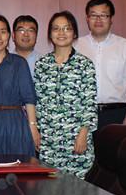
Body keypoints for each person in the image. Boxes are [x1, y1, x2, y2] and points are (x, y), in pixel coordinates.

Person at [34, 11, 98, 179]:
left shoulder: (84, 64)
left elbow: (90, 103)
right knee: (50, 189)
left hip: (76, 139)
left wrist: (84, 134)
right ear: (50, 34)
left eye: (67, 28)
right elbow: (38, 102)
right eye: (56, 28)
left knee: (77, 190)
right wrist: (37, 132)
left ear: (74, 33)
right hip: (49, 140)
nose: (61, 33)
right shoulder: (42, 64)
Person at [75, 0, 126, 130]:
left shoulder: (125, 46)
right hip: (82, 114)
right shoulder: (76, 46)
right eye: (93, 15)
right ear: (87, 19)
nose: (98, 20)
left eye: (103, 15)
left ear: (111, 19)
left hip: (116, 114)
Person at [0, 15, 38, 157]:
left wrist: (33, 128)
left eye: (3, 32)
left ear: (9, 35)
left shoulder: (19, 63)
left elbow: (29, 98)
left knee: (20, 166)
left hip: (16, 123)